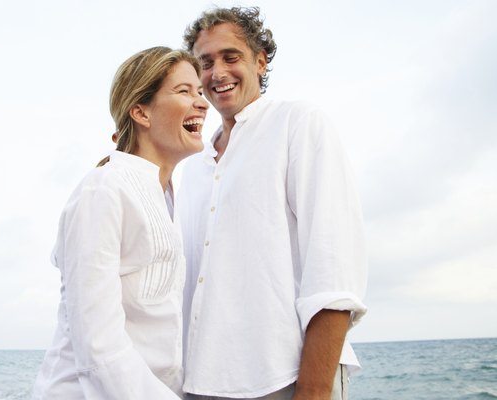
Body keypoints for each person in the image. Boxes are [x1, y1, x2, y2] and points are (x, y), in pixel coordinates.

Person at [178, 7, 368, 400]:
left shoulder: (298, 124)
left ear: (260, 61)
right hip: (199, 382)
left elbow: (333, 268)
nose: (217, 73)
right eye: (205, 63)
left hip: (285, 378)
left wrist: (313, 392)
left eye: (231, 57)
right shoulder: (192, 167)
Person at [32, 46, 209, 399]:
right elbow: (98, 346)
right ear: (141, 112)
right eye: (184, 91)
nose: (202, 103)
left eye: (200, 92)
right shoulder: (104, 189)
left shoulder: (170, 198)